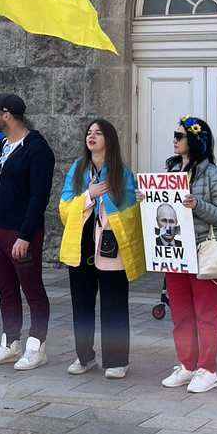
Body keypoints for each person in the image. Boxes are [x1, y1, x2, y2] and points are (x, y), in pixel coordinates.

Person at [144, 116, 217, 394]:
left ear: (195, 141)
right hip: (175, 253)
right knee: (181, 313)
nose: (174, 139)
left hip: (204, 252)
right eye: (174, 135)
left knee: (206, 314)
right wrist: (145, 200)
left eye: (179, 135)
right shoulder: (169, 171)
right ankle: (188, 365)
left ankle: (208, 369)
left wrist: (198, 205)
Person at [0, 94, 55, 370]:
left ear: (7, 115)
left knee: (32, 289)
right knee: (5, 289)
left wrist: (26, 235)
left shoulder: (37, 149)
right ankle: (10, 342)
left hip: (20, 232)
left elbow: (38, 196)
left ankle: (37, 345)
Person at [58, 119, 144, 379]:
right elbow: (64, 207)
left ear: (109, 139)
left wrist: (142, 199)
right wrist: (89, 195)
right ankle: (84, 356)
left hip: (111, 245)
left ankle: (118, 360)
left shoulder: (122, 173)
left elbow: (131, 214)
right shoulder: (77, 168)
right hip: (82, 242)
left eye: (98, 132)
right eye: (89, 132)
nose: (91, 136)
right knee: (81, 304)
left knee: (114, 304)